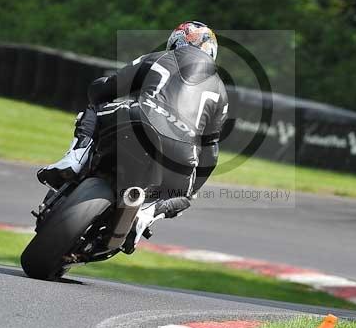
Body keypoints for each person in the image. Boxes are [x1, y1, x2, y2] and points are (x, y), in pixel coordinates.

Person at [37, 21, 228, 248]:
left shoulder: (157, 58)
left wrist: (98, 89)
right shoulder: (222, 92)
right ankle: (146, 214)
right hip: (182, 155)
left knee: (96, 108)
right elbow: (211, 150)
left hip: (139, 122)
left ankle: (74, 160)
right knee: (184, 197)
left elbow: (108, 88)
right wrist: (189, 191)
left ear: (177, 41)